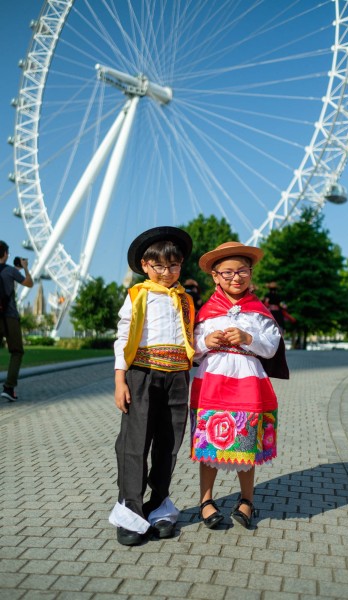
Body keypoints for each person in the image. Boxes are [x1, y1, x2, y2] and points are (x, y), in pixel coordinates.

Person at [190, 241, 289, 529]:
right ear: (215, 276)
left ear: (251, 273)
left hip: (249, 383)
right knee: (210, 444)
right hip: (211, 383)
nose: (236, 277)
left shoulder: (259, 312)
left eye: (242, 271)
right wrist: (204, 342)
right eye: (228, 272)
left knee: (245, 442)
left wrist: (248, 338)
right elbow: (192, 348)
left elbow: (271, 347)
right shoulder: (207, 311)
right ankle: (205, 500)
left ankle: (247, 499)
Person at [109, 226, 195, 546]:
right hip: (142, 375)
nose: (167, 272)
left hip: (177, 378)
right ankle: (130, 511)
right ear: (145, 265)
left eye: (174, 265)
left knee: (168, 444)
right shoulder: (138, 295)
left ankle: (158, 505)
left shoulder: (185, 300)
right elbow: (122, 339)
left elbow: (189, 340)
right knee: (135, 443)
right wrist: (120, 381)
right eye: (159, 266)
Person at [0, 241, 33, 401]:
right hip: (9, 316)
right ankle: (9, 387)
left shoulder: (9, 271)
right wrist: (25, 267)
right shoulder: (11, 271)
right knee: (17, 351)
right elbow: (29, 283)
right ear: (5, 254)